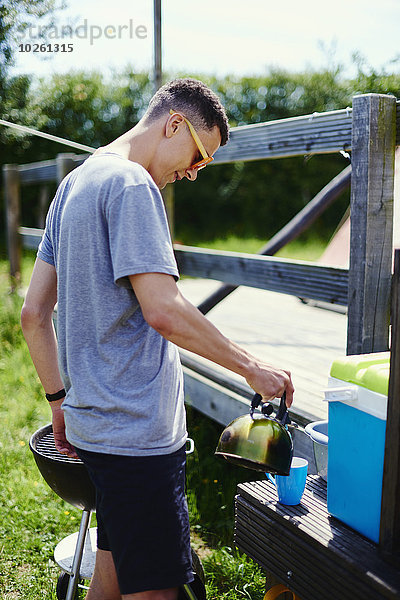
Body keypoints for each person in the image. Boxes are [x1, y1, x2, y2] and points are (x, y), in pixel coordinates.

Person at [21, 78, 294, 600]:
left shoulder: (76, 183)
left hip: (93, 429)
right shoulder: (132, 185)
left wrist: (59, 401)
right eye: (197, 155)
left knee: (114, 569)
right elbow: (164, 310)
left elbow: (33, 314)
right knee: (156, 591)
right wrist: (252, 368)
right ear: (174, 124)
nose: (192, 172)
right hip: (137, 437)